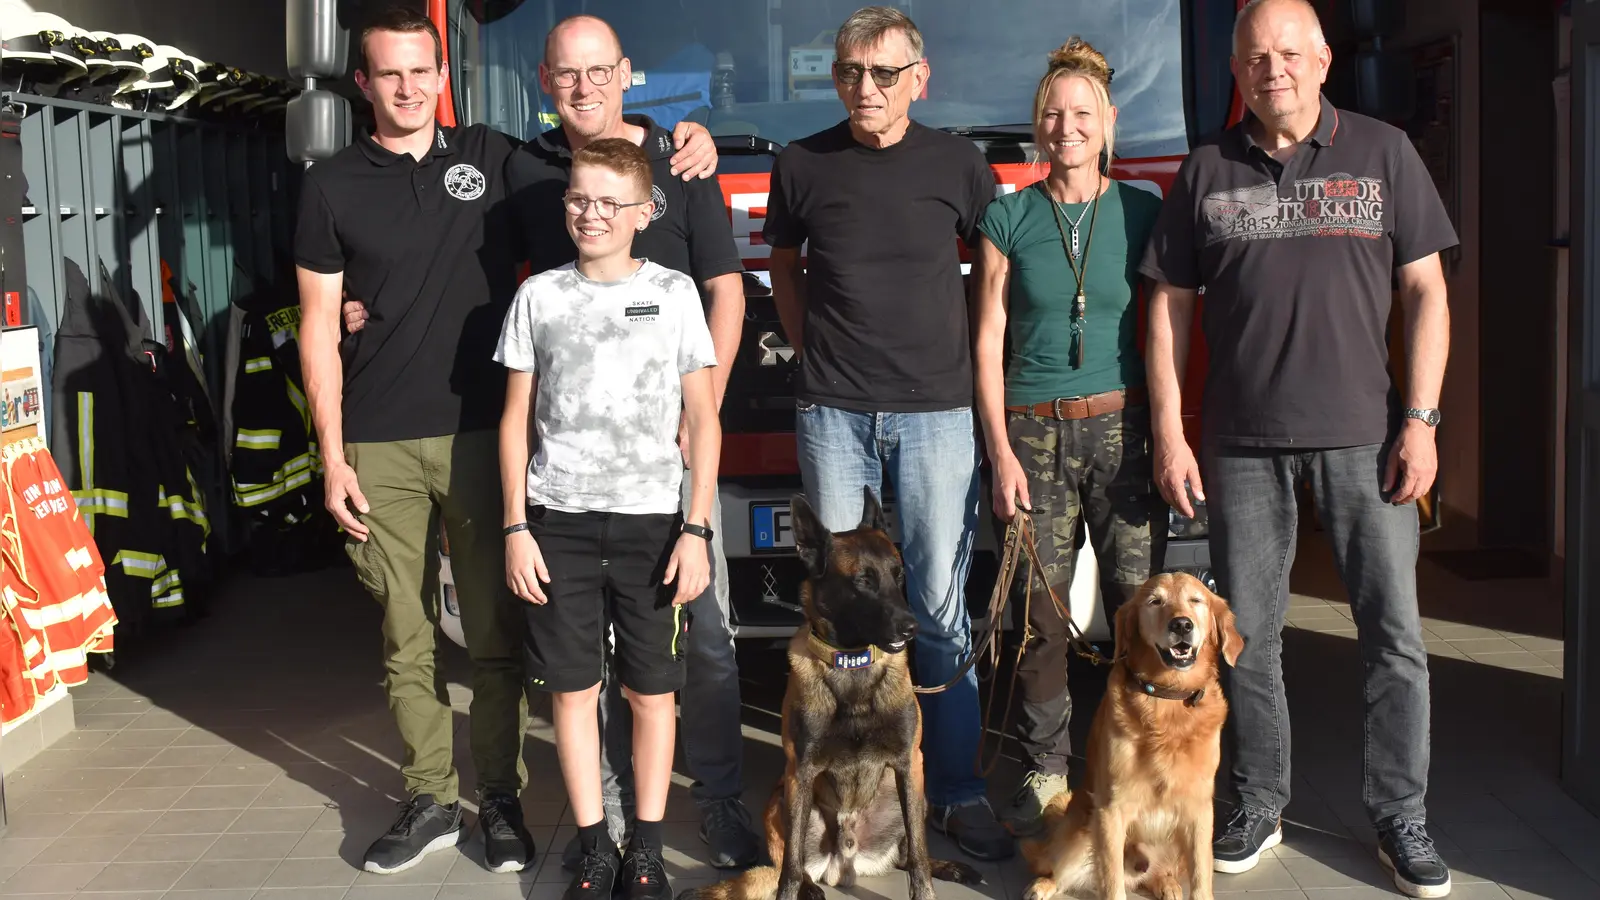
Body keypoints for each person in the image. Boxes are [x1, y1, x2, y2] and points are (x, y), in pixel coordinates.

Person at [297, 5, 718, 877]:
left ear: (443, 76)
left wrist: (689, 135)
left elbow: (602, 146)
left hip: (488, 432)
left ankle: (499, 798)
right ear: (363, 83)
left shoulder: (493, 156)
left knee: (492, 632)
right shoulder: (331, 183)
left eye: (424, 71)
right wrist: (331, 452)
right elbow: (314, 323)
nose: (409, 88)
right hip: (377, 437)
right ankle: (425, 795)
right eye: (390, 73)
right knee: (405, 632)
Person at [1139, 0, 1456, 895]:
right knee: (1253, 641)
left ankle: (1401, 815)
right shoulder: (1205, 171)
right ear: (1236, 72)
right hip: (1241, 445)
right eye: (1253, 57)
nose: (1270, 69)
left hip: (1368, 439)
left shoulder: (1385, 153)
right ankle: (1260, 800)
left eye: (1287, 53)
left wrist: (1422, 421)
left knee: (1393, 636)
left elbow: (1427, 293)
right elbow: (1166, 310)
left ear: (1323, 59)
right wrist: (1172, 429)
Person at [762, 5, 1011, 861]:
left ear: (919, 77)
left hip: (938, 414)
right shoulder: (802, 165)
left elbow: (993, 277)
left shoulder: (960, 163)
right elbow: (781, 268)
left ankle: (957, 791)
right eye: (849, 74)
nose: (864, 89)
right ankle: (840, 791)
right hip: (833, 413)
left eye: (883, 74)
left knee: (937, 610)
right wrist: (809, 353)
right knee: (843, 616)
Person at [494, 136, 721, 900]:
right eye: (578, 201)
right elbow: (514, 421)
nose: (590, 215)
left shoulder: (678, 293)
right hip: (558, 521)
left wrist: (697, 531)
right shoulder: (539, 296)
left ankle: (646, 852)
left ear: (643, 213)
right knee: (571, 691)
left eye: (607, 203)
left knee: (651, 692)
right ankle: (596, 847)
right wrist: (516, 526)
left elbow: (704, 417)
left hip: (653, 525)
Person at [971, 36, 1166, 839]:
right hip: (1033, 433)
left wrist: (1172, 434)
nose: (1067, 126)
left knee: (1135, 607)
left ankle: (1145, 766)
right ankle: (1047, 772)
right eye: (1053, 113)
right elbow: (986, 337)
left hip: (1122, 433)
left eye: (1082, 112)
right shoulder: (1007, 214)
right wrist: (1000, 452)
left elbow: (1163, 328)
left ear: (1109, 122)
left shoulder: (1146, 210)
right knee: (1038, 616)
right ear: (1038, 126)